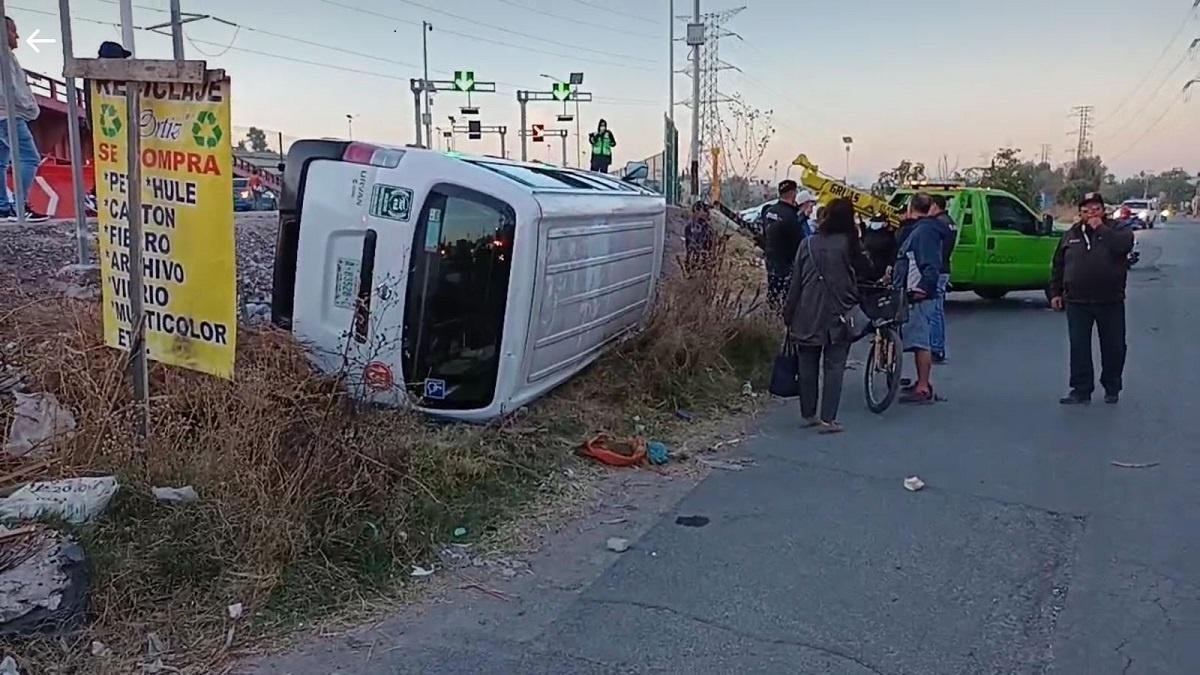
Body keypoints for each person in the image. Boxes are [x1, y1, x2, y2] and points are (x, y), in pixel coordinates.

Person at [783, 197, 875, 433]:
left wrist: (789, 311)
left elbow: (796, 283)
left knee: (807, 364)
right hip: (839, 314)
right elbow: (867, 271)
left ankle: (808, 413)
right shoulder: (849, 244)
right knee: (834, 366)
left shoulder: (807, 244)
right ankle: (828, 419)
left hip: (807, 312)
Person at [1049, 192, 1135, 405]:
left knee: (1114, 346)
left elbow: (1123, 246)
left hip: (1110, 300)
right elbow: (1058, 265)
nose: (1091, 214)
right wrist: (1056, 293)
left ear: (1104, 210)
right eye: (1086, 211)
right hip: (1077, 301)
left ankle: (1112, 387)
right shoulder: (1071, 234)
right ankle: (1081, 389)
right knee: (1079, 347)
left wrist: (1101, 228)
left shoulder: (1117, 229)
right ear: (1080, 214)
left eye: (1095, 209)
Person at [893, 193, 943, 404]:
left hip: (918, 294)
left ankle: (923, 387)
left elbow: (930, 263)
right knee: (917, 339)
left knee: (920, 341)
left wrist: (922, 288)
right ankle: (922, 383)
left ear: (910, 207)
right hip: (914, 291)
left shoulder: (923, 231)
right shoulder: (924, 229)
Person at [0, 16, 48, 223]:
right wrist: (31, 108)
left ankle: (2, 207)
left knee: (1, 161)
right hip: (8, 114)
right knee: (29, 158)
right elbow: (12, 89)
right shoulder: (5, 55)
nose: (17, 35)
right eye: (13, 31)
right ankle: (20, 207)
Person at [763, 181, 816, 309]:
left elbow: (765, 235)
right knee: (787, 300)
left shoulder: (769, 211)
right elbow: (800, 244)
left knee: (773, 296)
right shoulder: (792, 217)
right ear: (792, 193)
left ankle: (770, 319)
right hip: (787, 267)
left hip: (771, 264)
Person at [927, 195, 958, 363]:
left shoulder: (937, 224)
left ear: (935, 206)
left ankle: (936, 348)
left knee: (934, 312)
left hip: (938, 270)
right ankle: (937, 347)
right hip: (945, 268)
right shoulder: (950, 222)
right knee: (937, 310)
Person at [861, 212, 897, 282]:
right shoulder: (868, 233)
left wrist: (890, 265)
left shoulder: (889, 237)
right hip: (867, 268)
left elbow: (892, 253)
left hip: (880, 269)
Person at [684, 200, 716, 271]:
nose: (708, 213)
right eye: (706, 211)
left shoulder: (708, 228)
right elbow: (690, 246)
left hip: (703, 263)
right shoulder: (690, 227)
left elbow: (710, 247)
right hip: (695, 262)